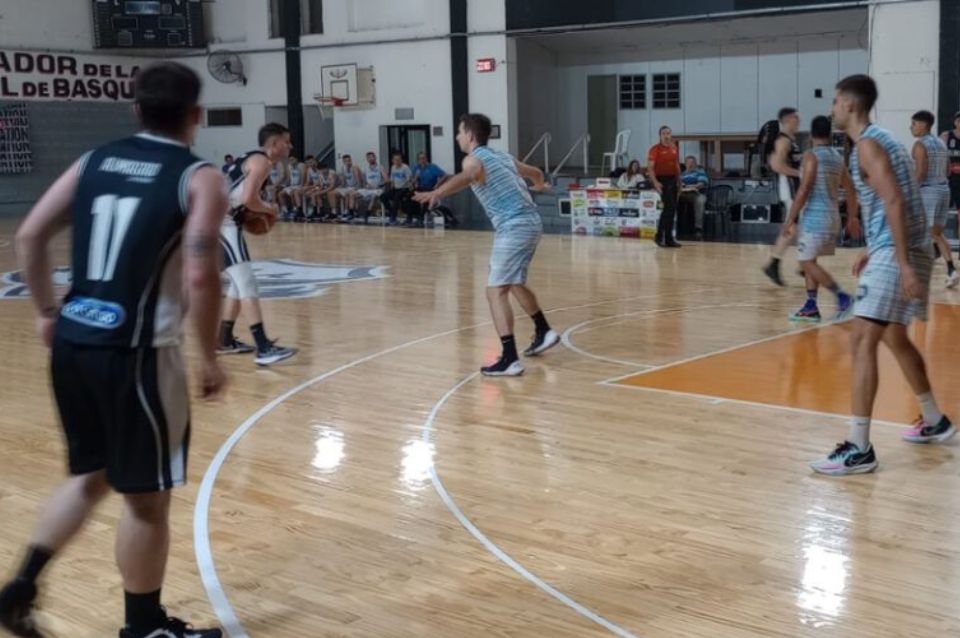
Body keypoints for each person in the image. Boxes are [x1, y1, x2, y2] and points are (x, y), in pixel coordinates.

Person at [0, 61, 226, 637]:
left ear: (136, 110)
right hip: (138, 353)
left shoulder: (93, 160)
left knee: (90, 475)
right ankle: (143, 627)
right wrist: (209, 356)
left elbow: (29, 235)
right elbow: (201, 275)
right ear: (196, 114)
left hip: (75, 343)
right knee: (147, 501)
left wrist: (46, 312)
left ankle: (20, 587)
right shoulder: (199, 177)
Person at [810, 74, 955, 476]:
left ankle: (859, 448)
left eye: (835, 101)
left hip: (900, 250)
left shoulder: (868, 145)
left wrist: (901, 262)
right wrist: (874, 249)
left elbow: (894, 199)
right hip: (898, 246)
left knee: (861, 338)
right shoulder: (881, 139)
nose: (832, 108)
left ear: (850, 104)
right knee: (894, 336)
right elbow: (898, 199)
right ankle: (934, 420)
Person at [414, 113, 559, 376]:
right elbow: (536, 173)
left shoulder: (472, 159)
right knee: (512, 282)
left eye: (459, 132)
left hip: (514, 227)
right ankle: (544, 330)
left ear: (470, 135)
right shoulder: (503, 157)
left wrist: (437, 192)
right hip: (531, 223)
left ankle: (510, 359)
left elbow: (469, 175)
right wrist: (539, 186)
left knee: (495, 292)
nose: (457, 136)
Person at [218, 124, 298, 366]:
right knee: (247, 282)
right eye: (286, 141)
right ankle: (263, 348)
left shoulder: (251, 158)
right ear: (274, 144)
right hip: (222, 222)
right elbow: (248, 199)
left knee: (237, 283)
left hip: (222, 220)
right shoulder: (261, 163)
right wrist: (269, 209)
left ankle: (224, 340)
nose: (290, 146)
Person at [782, 115, 858, 322]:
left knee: (805, 262)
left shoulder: (811, 156)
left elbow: (805, 188)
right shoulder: (837, 157)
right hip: (833, 216)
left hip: (815, 217)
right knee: (811, 261)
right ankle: (811, 306)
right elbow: (851, 189)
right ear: (830, 135)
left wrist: (790, 218)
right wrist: (852, 217)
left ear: (811, 135)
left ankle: (843, 297)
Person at [911, 110, 958, 288]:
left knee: (917, 231)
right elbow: (947, 170)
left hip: (928, 191)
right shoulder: (941, 142)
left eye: (914, 123)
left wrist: (910, 191)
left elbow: (920, 173)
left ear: (923, 125)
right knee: (936, 234)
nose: (911, 127)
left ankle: (917, 271)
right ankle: (951, 270)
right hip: (944, 189)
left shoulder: (920, 145)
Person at [762, 107, 803, 286]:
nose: (798, 120)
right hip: (790, 187)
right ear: (786, 120)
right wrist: (800, 173)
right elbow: (777, 165)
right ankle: (775, 263)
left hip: (795, 187)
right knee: (793, 227)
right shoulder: (783, 140)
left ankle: (799, 264)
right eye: (795, 117)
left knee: (798, 227)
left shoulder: (791, 140)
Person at [647, 126, 681, 248]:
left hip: (673, 179)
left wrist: (679, 181)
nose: (666, 135)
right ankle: (659, 236)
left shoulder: (674, 148)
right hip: (661, 179)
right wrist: (655, 182)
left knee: (672, 209)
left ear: (671, 135)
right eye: (664, 133)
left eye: (668, 133)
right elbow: (650, 168)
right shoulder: (655, 149)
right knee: (668, 207)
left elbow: (676, 165)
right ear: (660, 135)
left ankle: (669, 239)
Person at [679, 156, 709, 240]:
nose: (690, 164)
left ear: (696, 164)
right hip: (683, 194)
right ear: (685, 164)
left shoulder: (700, 172)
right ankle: (673, 227)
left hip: (697, 193)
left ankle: (698, 228)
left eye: (692, 162)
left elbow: (701, 183)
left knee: (700, 201)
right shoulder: (682, 174)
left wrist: (692, 186)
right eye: (688, 163)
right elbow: (678, 184)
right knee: (672, 199)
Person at [380, 151, 413, 226]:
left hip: (405, 188)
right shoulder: (393, 167)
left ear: (401, 160)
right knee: (383, 196)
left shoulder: (405, 168)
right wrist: (392, 188)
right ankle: (391, 211)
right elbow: (392, 179)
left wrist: (402, 186)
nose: (397, 161)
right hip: (396, 188)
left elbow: (409, 179)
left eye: (399, 160)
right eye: (396, 160)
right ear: (393, 160)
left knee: (396, 197)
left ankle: (393, 217)